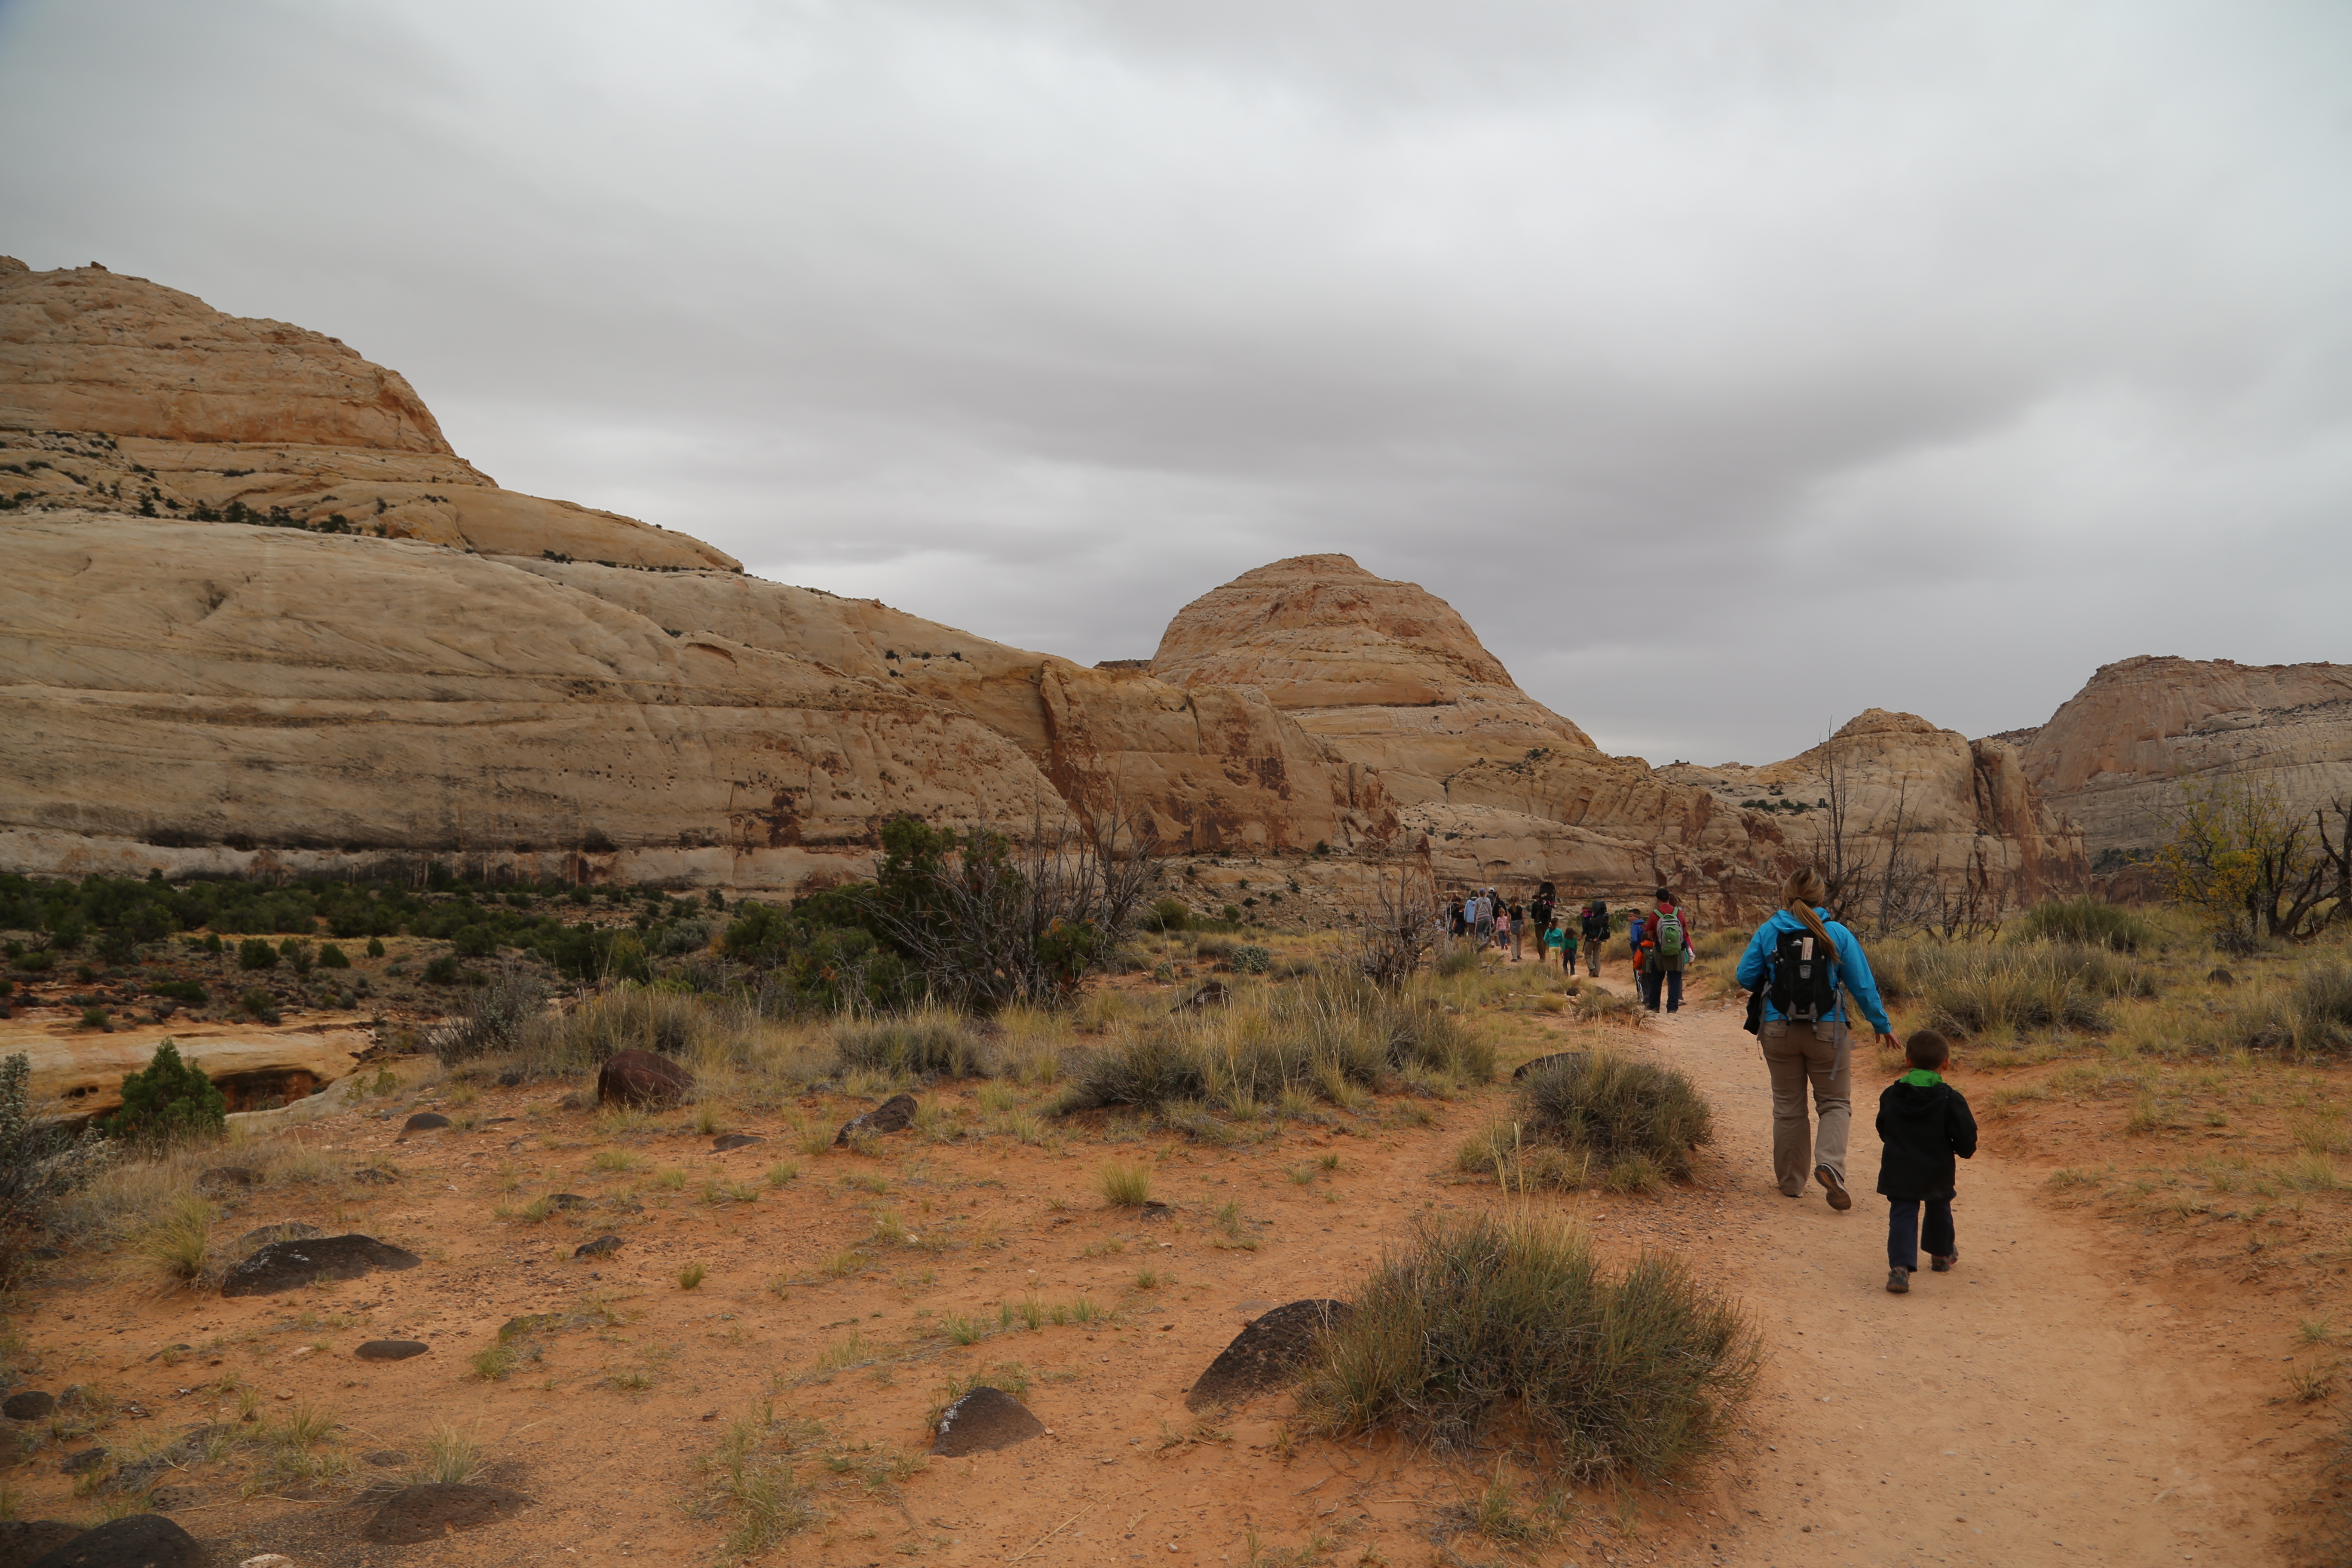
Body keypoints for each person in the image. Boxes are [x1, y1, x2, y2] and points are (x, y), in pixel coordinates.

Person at [1734, 867, 1900, 1211]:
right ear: (1822, 898)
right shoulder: (1837, 933)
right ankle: (1831, 1166)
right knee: (1835, 1104)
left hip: (1778, 1031)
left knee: (1788, 1108)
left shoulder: (1770, 930)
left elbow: (1745, 975)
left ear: (1786, 896)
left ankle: (1792, 1183)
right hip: (1829, 1032)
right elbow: (1862, 985)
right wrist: (1881, 1025)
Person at [1876, 1029, 1978, 1295]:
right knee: (1939, 1207)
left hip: (1899, 1166)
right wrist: (1963, 1150)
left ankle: (1899, 1269)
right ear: (1946, 1064)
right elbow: (1966, 1133)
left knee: (1902, 1214)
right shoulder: (1950, 1098)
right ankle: (1942, 1256)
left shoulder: (1891, 1095)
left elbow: (1883, 1127)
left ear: (1907, 1062)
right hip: (1937, 1166)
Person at [1644, 887, 1694, 1014]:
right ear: (1669, 898)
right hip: (1678, 951)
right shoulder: (1679, 913)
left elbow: (1650, 936)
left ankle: (1654, 1006)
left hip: (1660, 950)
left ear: (1658, 899)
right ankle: (1672, 1008)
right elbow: (1685, 931)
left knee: (1656, 978)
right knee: (1675, 978)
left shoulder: (1655, 914)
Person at [1582, 902, 1609, 977]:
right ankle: (1597, 973)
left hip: (1590, 939)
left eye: (1584, 912)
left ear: (1587, 912)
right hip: (1599, 939)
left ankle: (1592, 968)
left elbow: (1585, 930)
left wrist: (1581, 937)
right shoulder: (1599, 918)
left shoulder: (1587, 920)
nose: (1583, 914)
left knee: (1588, 955)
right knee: (1597, 956)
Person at [1507, 896, 1526, 961]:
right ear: (1517, 901)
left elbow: (1508, 919)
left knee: (1514, 942)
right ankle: (1519, 955)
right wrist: (1525, 928)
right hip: (1520, 925)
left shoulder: (1510, 909)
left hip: (1513, 926)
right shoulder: (1520, 909)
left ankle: (1514, 958)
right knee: (1519, 941)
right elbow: (1523, 918)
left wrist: (1507, 928)